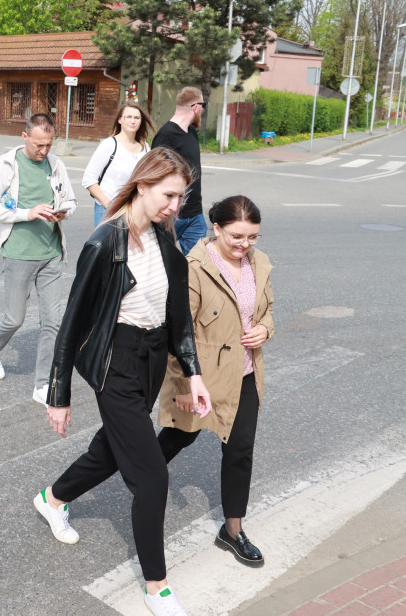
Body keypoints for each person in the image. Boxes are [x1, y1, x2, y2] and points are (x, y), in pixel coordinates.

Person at [34, 147, 212, 616]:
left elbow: (179, 321)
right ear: (144, 184)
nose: (176, 205)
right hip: (116, 362)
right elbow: (71, 322)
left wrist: (193, 374)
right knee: (152, 477)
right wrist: (59, 394)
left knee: (112, 449)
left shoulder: (166, 243)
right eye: (170, 194)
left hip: (152, 360)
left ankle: (52, 498)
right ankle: (158, 588)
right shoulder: (104, 243)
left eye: (182, 196)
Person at [156, 195, 274, 567]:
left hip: (245, 374)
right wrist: (184, 385)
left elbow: (268, 311)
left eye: (252, 237)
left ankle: (233, 530)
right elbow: (178, 333)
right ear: (216, 228)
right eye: (237, 237)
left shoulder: (259, 263)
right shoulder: (194, 267)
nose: (245, 245)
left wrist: (264, 330)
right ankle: (139, 476)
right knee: (178, 438)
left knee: (240, 452)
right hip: (202, 377)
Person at [0, 113, 77, 405]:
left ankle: (43, 385)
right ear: (25, 138)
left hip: (52, 255)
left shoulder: (56, 165)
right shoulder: (7, 164)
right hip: (19, 253)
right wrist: (27, 213)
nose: (44, 151)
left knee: (52, 322)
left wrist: (63, 211)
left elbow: (70, 200)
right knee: (15, 318)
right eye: (38, 145)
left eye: (48, 144)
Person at [152, 87, 206, 255]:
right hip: (170, 216)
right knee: (164, 265)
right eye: (203, 106)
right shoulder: (165, 135)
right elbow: (155, 177)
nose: (203, 110)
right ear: (196, 107)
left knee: (199, 267)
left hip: (195, 215)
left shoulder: (191, 132)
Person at [83, 101, 153, 226]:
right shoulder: (110, 144)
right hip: (108, 211)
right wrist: (109, 205)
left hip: (135, 211)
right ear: (120, 119)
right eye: (128, 117)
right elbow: (89, 179)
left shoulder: (145, 148)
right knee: (108, 246)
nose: (133, 121)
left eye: (137, 118)